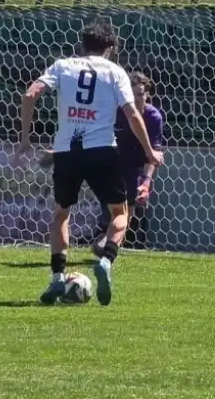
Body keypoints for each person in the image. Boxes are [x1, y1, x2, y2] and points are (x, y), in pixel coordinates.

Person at [21, 20, 164, 307]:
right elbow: (133, 115)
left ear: (82, 45)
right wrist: (149, 151)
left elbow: (30, 95)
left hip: (67, 151)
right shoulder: (115, 72)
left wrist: (24, 138)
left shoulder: (63, 66)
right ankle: (107, 260)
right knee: (120, 214)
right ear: (110, 48)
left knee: (61, 215)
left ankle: (57, 279)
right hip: (101, 149)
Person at [93, 71, 164, 255]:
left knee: (126, 214)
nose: (137, 99)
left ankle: (107, 249)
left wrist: (146, 183)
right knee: (111, 214)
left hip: (136, 169)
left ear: (147, 94)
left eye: (141, 94)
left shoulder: (153, 117)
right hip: (113, 165)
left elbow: (154, 155)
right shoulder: (115, 112)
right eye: (132, 96)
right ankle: (104, 239)